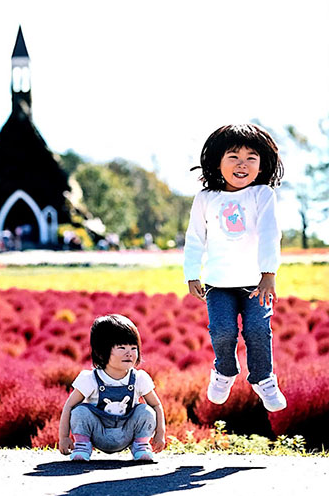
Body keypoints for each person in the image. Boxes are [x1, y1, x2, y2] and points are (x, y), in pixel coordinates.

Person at [184, 123, 287, 412]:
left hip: (256, 284)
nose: (242, 164)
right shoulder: (206, 198)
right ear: (217, 161)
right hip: (218, 284)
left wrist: (268, 275)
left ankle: (264, 379)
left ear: (261, 164)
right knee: (222, 331)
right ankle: (225, 371)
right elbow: (194, 238)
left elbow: (270, 234)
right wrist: (192, 274)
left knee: (257, 329)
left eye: (251, 158)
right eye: (233, 156)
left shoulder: (262, 195)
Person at [59, 314, 166, 461]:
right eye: (122, 347)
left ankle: (141, 446)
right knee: (79, 411)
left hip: (127, 432)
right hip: (98, 432)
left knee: (146, 410)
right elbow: (69, 406)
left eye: (133, 348)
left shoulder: (139, 378)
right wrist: (64, 437)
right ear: (101, 352)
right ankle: (82, 446)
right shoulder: (90, 379)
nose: (129, 353)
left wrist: (160, 434)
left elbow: (156, 405)